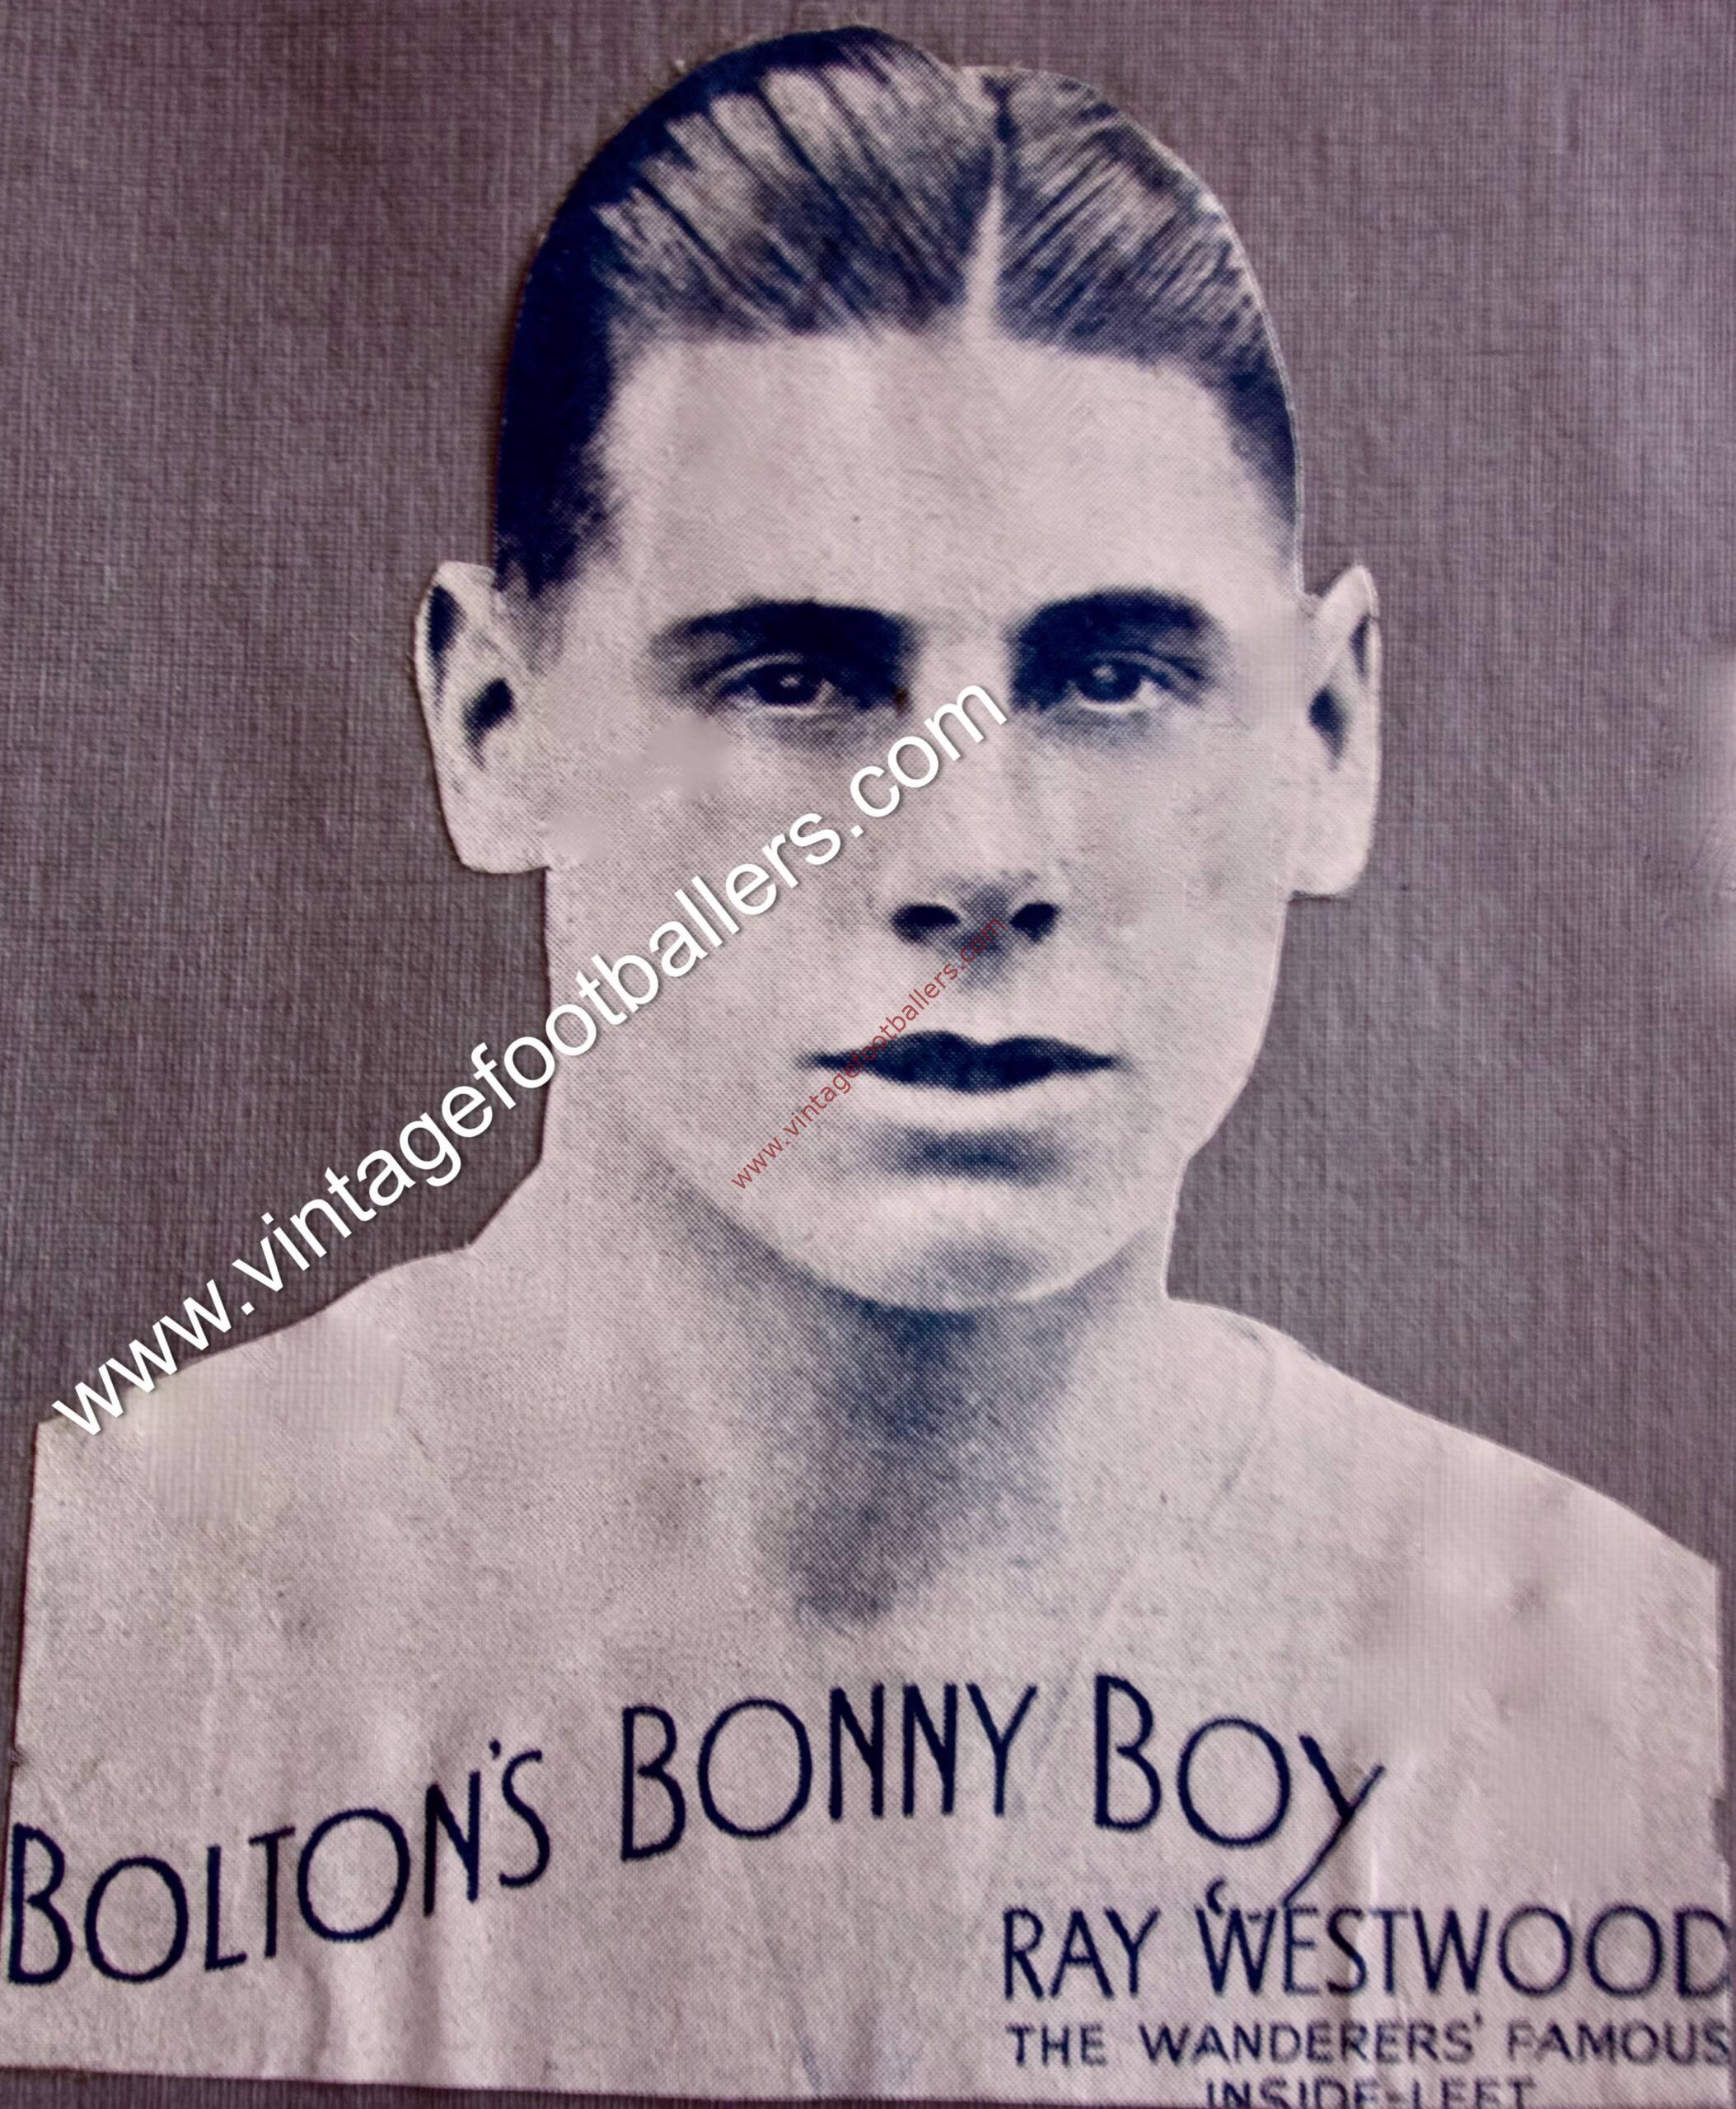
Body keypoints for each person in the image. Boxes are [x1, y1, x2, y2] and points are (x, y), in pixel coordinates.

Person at [3, 27, 1726, 2104]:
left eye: (1111, 674)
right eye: (796, 677)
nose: (972, 854)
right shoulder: (158, 1561)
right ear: (493, 723)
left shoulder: (1579, 1654)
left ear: (1324, 739)